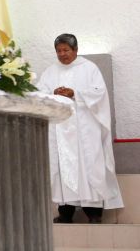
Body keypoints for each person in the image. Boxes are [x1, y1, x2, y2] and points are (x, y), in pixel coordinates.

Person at [38, 33, 123, 223]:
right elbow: (40, 92)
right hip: (60, 130)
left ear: (75, 50)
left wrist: (75, 93)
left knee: (89, 167)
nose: (62, 54)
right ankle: (65, 212)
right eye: (59, 51)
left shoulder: (89, 68)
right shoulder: (50, 71)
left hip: (84, 129)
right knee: (62, 169)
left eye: (66, 50)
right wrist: (53, 93)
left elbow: (99, 93)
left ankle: (93, 214)